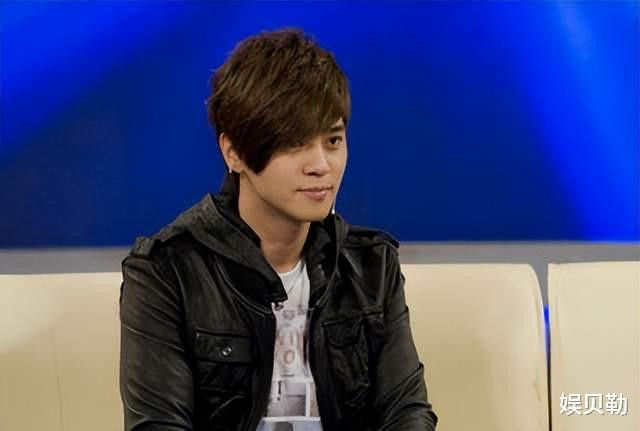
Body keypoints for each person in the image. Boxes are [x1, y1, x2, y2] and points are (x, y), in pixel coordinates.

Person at [119, 28, 437, 431]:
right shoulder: (166, 273)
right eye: (294, 144)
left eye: (333, 140)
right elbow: (158, 425)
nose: (320, 165)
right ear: (234, 152)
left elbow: (406, 411)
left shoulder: (372, 267)